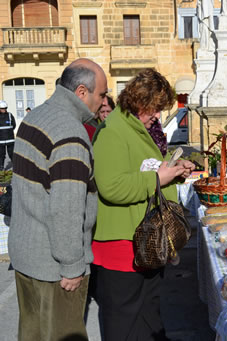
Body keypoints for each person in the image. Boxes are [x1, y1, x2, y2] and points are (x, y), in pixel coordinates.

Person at [91, 68, 195, 341]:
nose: (158, 115)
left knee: (149, 319)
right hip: (121, 247)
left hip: (145, 244)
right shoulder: (112, 131)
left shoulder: (136, 128)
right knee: (124, 326)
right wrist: (159, 177)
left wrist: (173, 166)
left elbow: (141, 165)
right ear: (138, 102)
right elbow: (112, 186)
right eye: (155, 108)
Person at [8, 58, 108, 340]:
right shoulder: (70, 134)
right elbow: (66, 209)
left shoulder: (36, 116)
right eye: (101, 94)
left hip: (27, 256)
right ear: (81, 92)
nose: (104, 102)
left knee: (32, 334)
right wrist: (73, 266)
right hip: (54, 268)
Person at [0, 100, 16, 171]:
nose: (4, 110)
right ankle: (1, 167)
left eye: (5, 108)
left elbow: (14, 125)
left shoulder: (10, 115)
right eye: (2, 108)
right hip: (0, 140)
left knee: (12, 154)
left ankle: (16, 167)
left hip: (10, 139)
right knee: (1, 155)